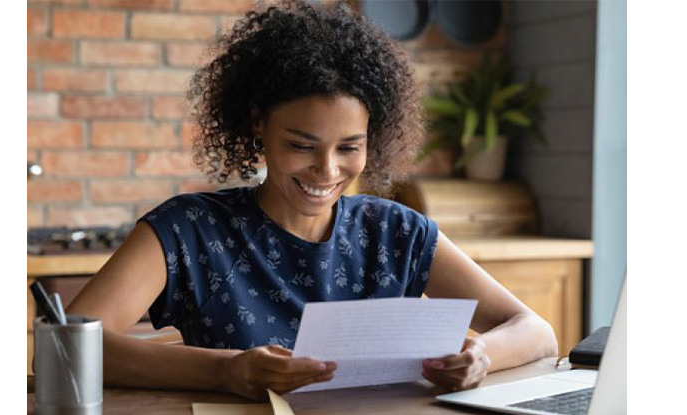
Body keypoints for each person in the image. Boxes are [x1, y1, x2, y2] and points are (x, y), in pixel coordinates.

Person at [66, 0, 557, 401]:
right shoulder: (188, 229)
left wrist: (482, 357)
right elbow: (67, 347)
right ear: (258, 124)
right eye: (301, 146)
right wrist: (226, 372)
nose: (326, 171)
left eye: (349, 148)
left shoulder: (396, 233)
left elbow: (535, 331)